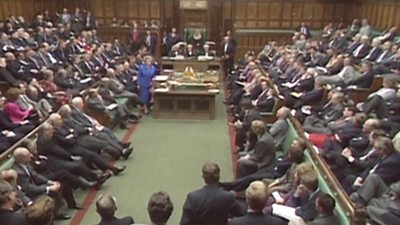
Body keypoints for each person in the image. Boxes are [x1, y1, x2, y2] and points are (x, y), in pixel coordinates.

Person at [180, 161, 245, 225]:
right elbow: (242, 214)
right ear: (219, 176)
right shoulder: (228, 197)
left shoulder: (193, 197)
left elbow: (184, 223)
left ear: (203, 177)